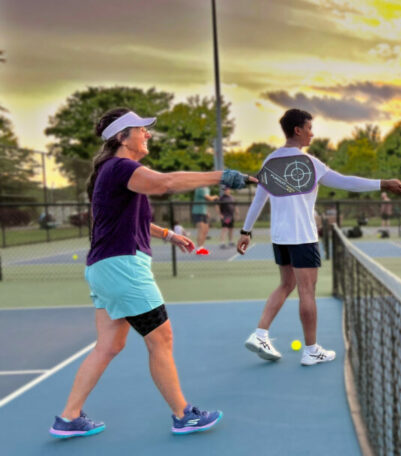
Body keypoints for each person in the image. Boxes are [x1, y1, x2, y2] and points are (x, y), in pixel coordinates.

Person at [48, 108, 254, 439]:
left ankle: (69, 417)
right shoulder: (122, 167)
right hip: (123, 267)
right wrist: (222, 175)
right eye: (141, 129)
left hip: (104, 268)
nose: (148, 134)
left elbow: (131, 219)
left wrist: (167, 235)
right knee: (161, 338)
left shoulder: (113, 172)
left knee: (109, 346)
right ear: (121, 136)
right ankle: (182, 414)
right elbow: (166, 183)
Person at [237, 109, 401, 366]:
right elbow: (346, 182)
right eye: (309, 127)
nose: (312, 133)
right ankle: (311, 350)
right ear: (297, 130)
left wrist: (245, 231)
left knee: (286, 285)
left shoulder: (270, 162)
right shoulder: (311, 163)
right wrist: (383, 183)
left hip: (280, 237)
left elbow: (258, 200)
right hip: (303, 237)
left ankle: (260, 333)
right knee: (307, 291)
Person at [192, 185, 218, 255]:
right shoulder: (200, 189)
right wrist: (215, 196)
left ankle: (202, 247)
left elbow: (204, 202)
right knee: (201, 230)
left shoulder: (207, 189)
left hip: (203, 212)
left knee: (205, 230)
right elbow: (208, 198)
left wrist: (206, 211)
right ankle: (199, 248)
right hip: (198, 212)